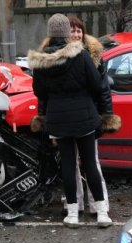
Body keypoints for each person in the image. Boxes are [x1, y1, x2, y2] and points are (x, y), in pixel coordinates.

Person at [28, 13, 110, 228]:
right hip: (84, 116)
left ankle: (72, 214)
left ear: (50, 33)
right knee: (90, 163)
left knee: (67, 165)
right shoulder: (80, 55)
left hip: (58, 119)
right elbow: (97, 84)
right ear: (66, 33)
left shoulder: (40, 61)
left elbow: (39, 91)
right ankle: (101, 212)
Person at [57, 16, 117, 223]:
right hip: (75, 117)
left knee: (92, 163)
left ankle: (99, 206)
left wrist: (105, 116)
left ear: (83, 33)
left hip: (89, 117)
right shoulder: (58, 56)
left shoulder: (94, 55)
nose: (75, 34)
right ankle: (75, 205)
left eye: (78, 31)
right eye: (71, 31)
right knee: (71, 164)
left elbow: (103, 90)